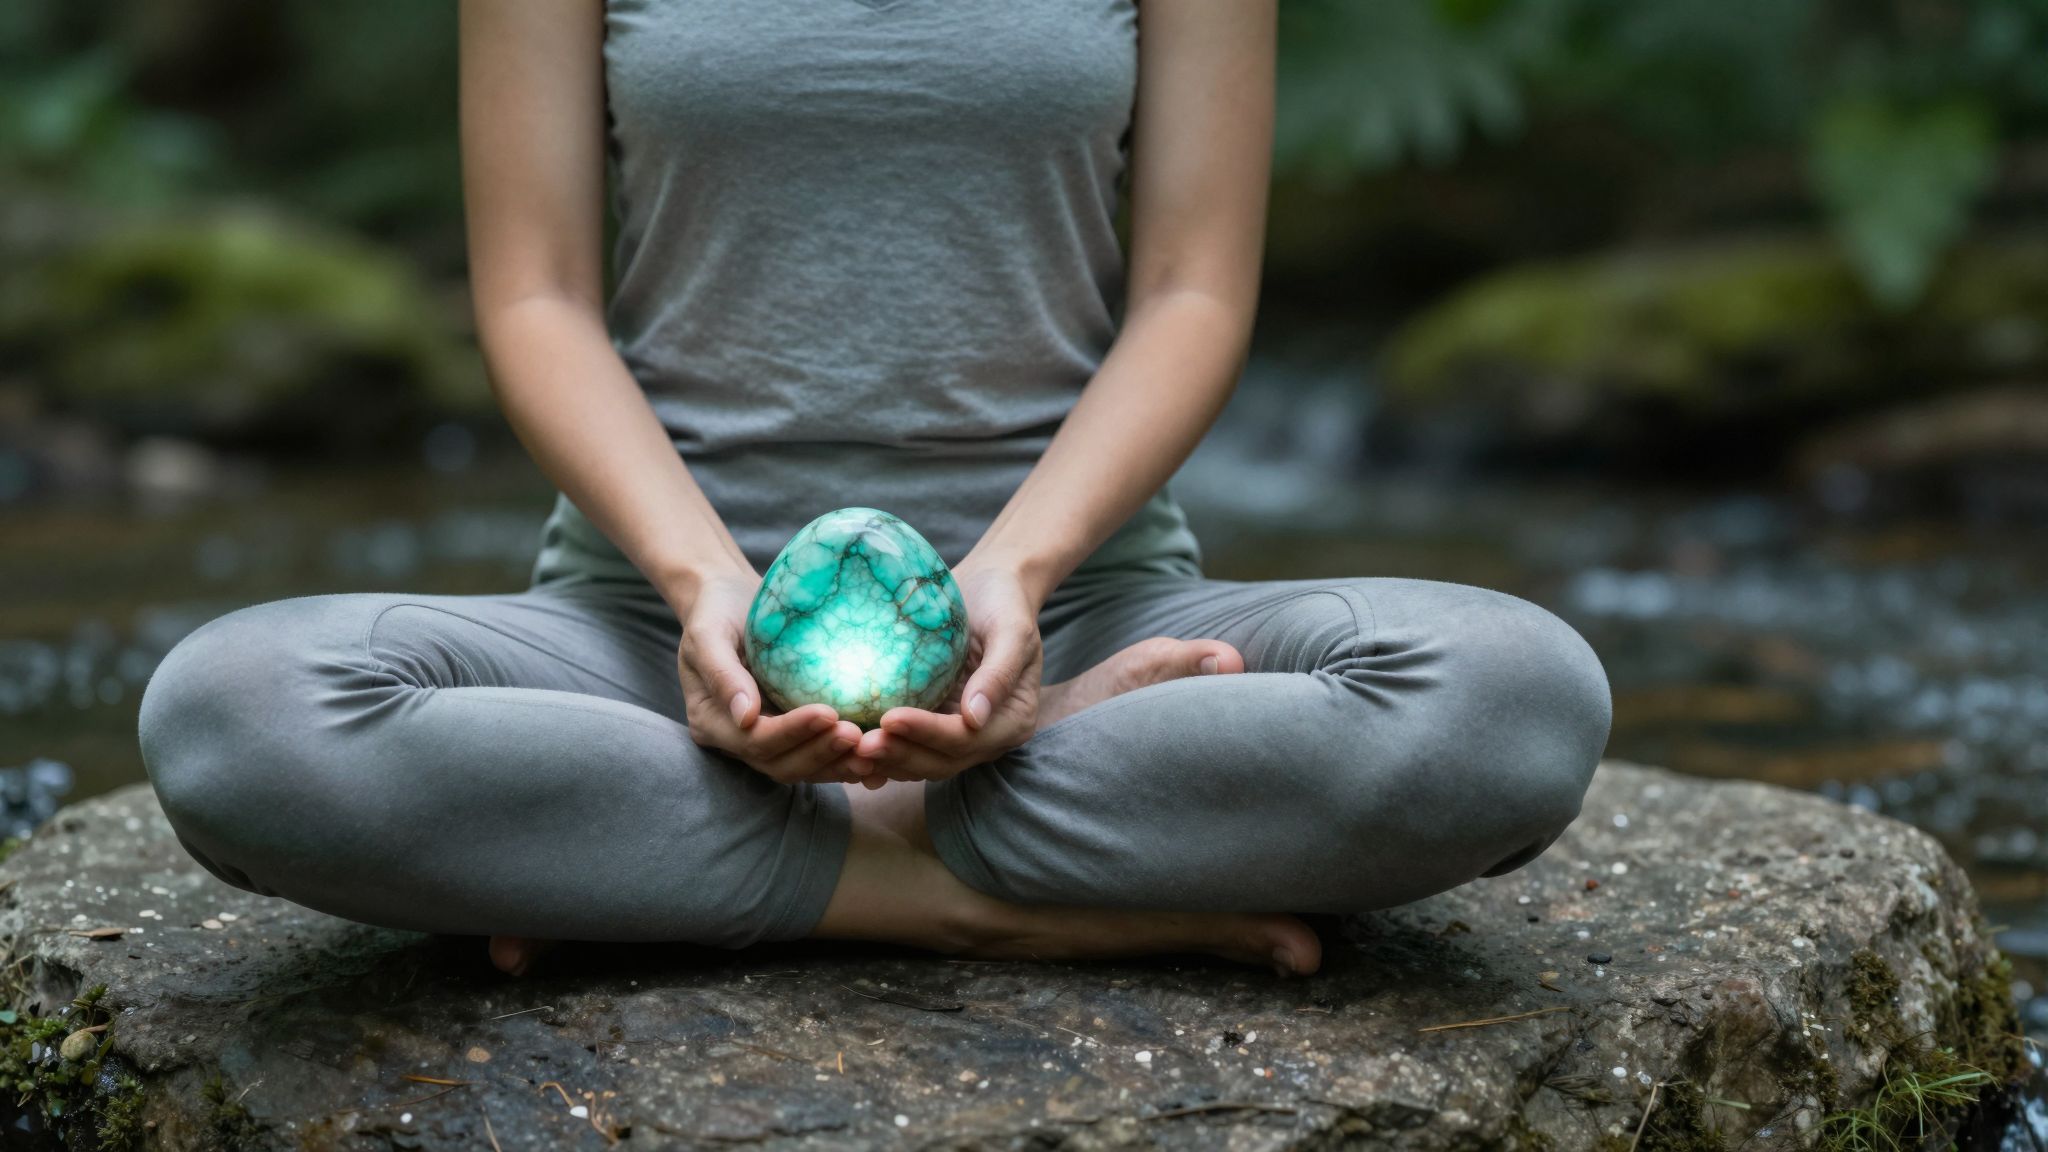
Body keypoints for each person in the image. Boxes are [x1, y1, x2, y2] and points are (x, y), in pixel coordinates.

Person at [136, 0, 1611, 980]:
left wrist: (1016, 580)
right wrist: (704, 587)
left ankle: (638, 861)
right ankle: (942, 885)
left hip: (1080, 616)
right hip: (648, 642)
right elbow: (535, 297)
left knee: (1512, 697)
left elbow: (1192, 292)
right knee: (235, 715)